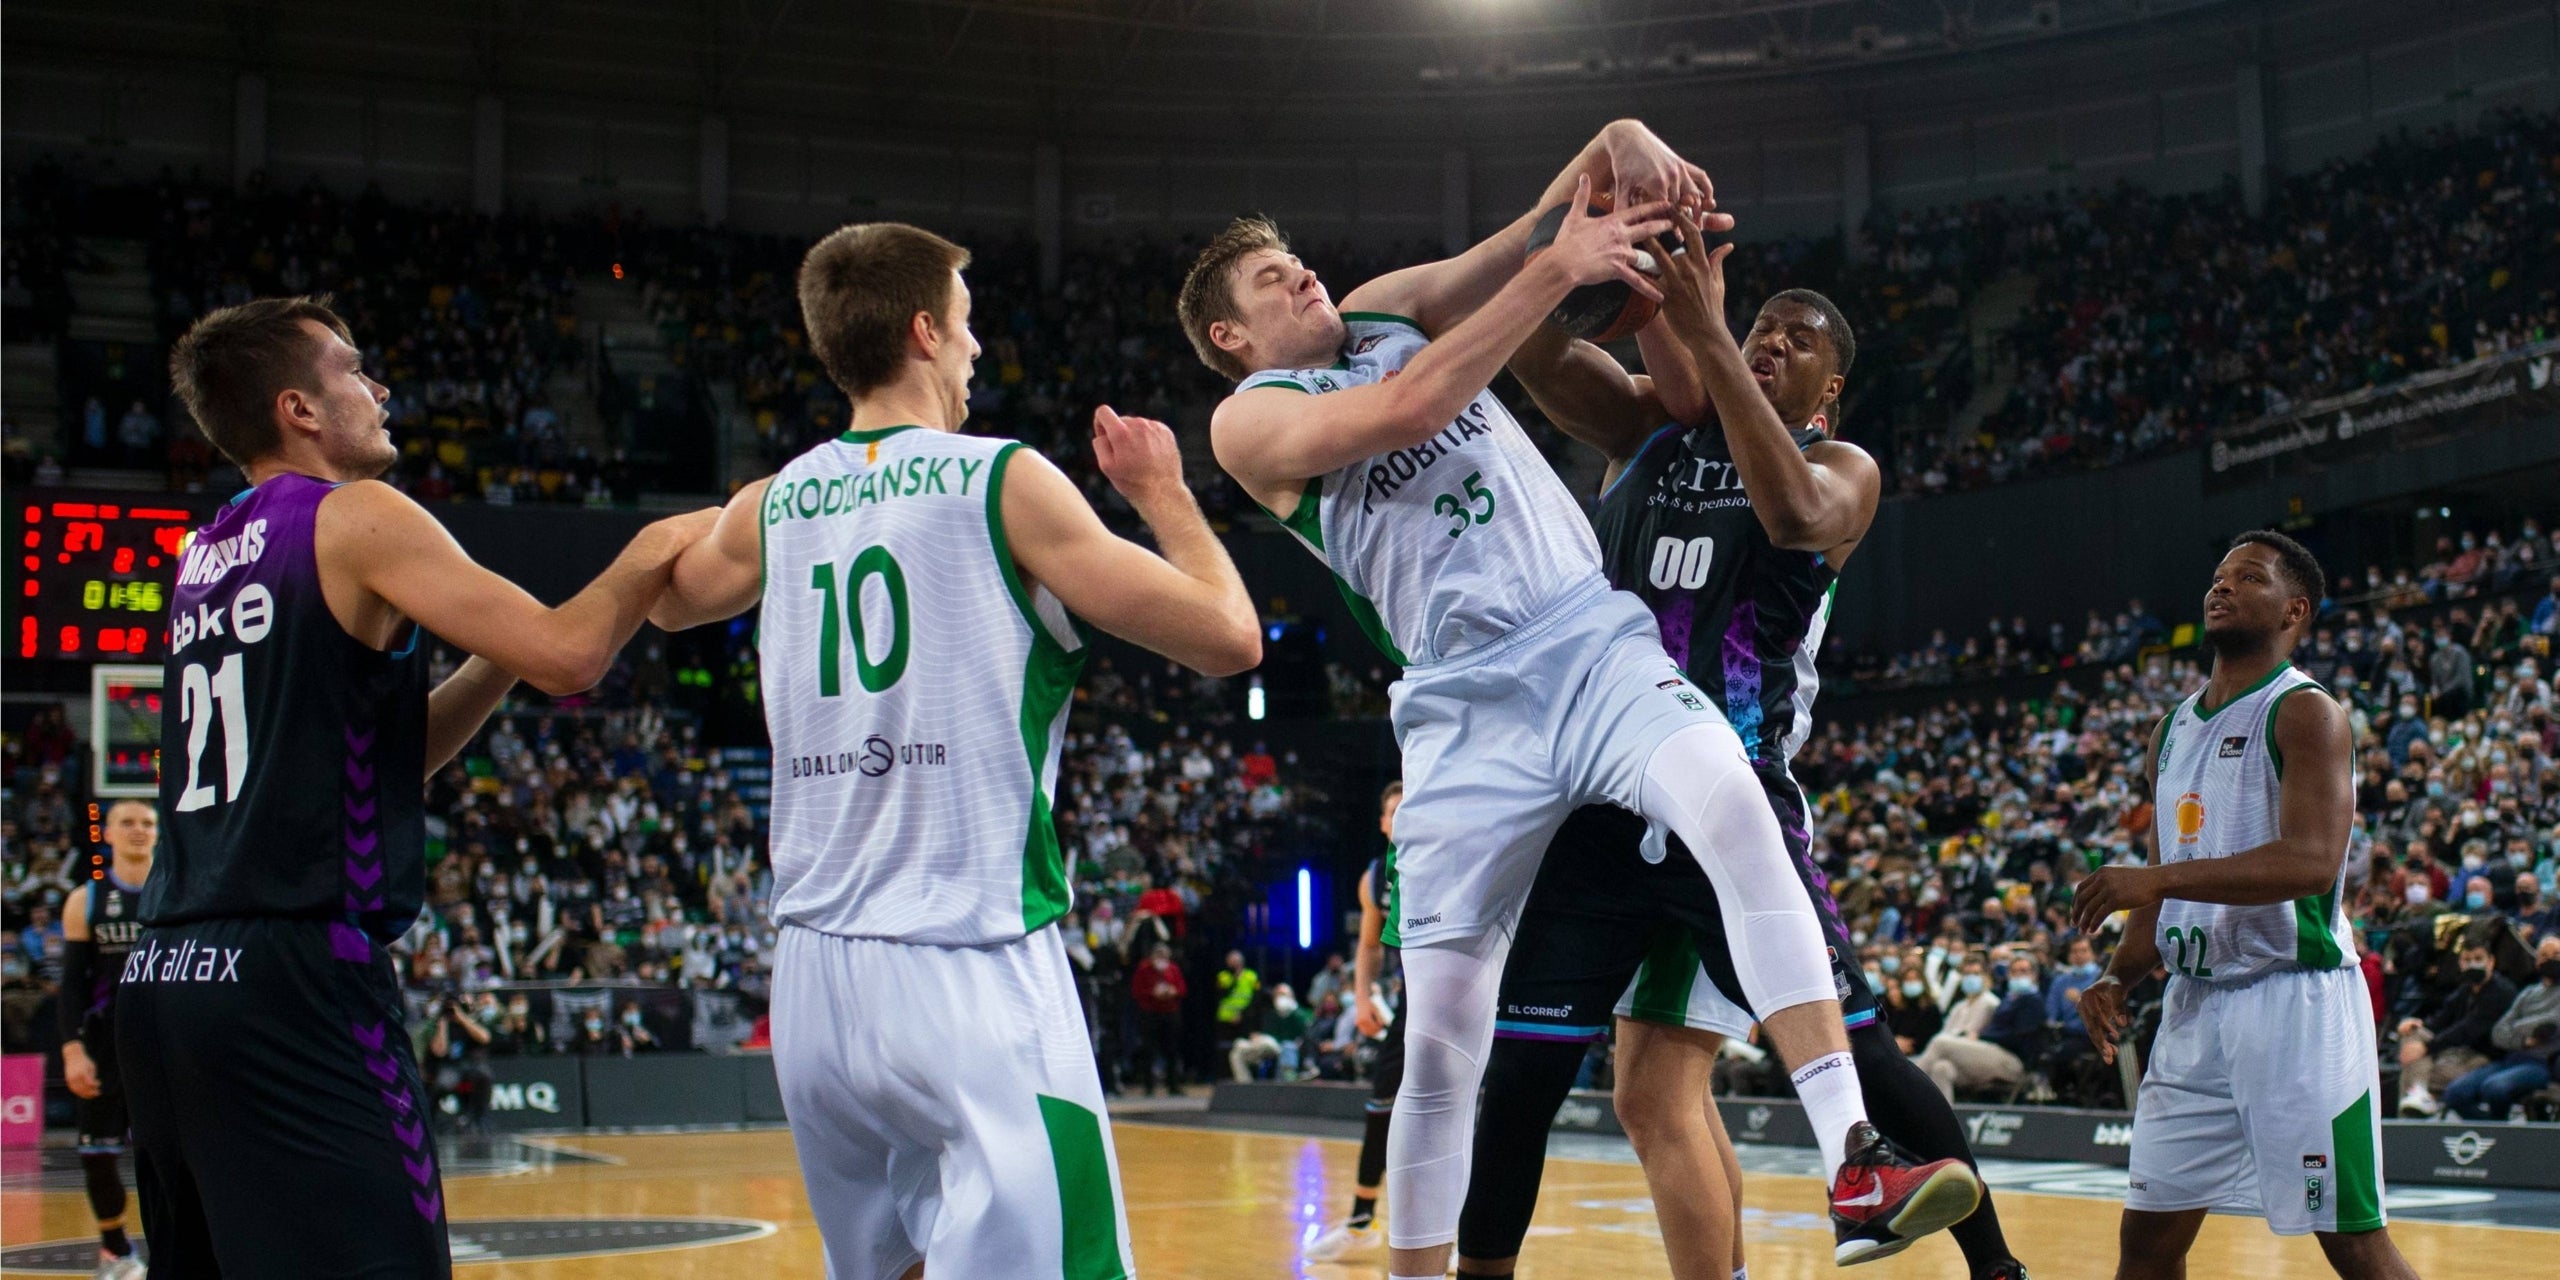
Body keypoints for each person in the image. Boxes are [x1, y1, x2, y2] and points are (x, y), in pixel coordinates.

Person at [1180, 120, 1972, 1280]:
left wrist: (1617, 148)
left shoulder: (1383, 302)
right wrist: (1564, 268)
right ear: (1230, 333)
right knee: (1444, 1037)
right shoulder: (1249, 419)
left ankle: (1855, 1155)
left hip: (1586, 637)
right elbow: (1411, 405)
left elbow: (1523, 236)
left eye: (1295, 257)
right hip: (1461, 706)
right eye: (1272, 279)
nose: (1303, 273)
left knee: (1738, 810)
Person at [646, 220, 1261, 1280]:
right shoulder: (1001, 477)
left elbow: (668, 601)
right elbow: (1228, 635)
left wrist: (722, 515)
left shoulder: (777, 499)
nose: (977, 351)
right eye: (968, 328)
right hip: (968, 958)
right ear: (926, 331)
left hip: (814, 982)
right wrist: (1162, 490)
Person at [1454, 216, 2020, 1278]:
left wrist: (1706, 332)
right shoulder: (1645, 427)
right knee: (1589, 1082)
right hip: (1604, 795)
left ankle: (1995, 1263)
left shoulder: (1837, 462)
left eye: (1798, 339)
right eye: (1764, 323)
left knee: (1851, 1046)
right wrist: (1577, 256)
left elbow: (1798, 517)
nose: (1773, 338)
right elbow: (1532, 355)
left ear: (1830, 391)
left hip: (1734, 798)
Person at [120, 294, 711, 1278]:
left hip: (168, 974)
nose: (379, 388)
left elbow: (381, 758)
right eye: (353, 369)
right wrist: (648, 553)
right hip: (292, 975)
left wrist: (502, 652)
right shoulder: (356, 515)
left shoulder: (207, 550)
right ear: (300, 409)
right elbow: (572, 657)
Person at [2075, 531, 2418, 1279]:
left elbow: (2311, 861)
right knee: (2148, 1242)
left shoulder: (2306, 712)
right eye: (2219, 577)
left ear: (2295, 609)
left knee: (2353, 1242)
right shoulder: (2171, 729)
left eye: (2249, 578)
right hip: (2195, 1010)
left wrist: (2155, 883)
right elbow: (2165, 875)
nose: (2222, 588)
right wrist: (2119, 977)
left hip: (2296, 1005)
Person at [1306, 782, 1407, 1262]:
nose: (1402, 816)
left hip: (1465, 994)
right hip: (1413, 1001)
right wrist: (1362, 998)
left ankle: (1450, 1232)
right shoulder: (1374, 876)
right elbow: (1368, 946)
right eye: (1394, 810)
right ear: (1383, 823)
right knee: (1381, 1109)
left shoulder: (1442, 856)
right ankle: (1362, 1221)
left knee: (1454, 1114)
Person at [57, 799, 156, 1280]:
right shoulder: (86, 900)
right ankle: (115, 1252)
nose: (139, 830)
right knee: (97, 1154)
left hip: (166, 1045)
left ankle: (177, 1248)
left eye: (148, 823)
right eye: (128, 822)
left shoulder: (179, 892)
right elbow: (72, 985)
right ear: (108, 834)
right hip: (104, 1045)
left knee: (172, 1156)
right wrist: (72, 1049)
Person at [2392, 941, 2518, 1116]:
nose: (2473, 964)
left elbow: (2467, 1030)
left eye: (2478, 959)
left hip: (2486, 1057)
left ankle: (2413, 1106)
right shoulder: (2465, 989)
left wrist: (2427, 1047)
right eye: (2467, 959)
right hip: (2453, 1053)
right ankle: (2419, 1096)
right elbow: (2440, 1019)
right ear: (2460, 963)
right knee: (2412, 1033)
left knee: (2412, 1070)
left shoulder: (2502, 992)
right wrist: (2417, 1024)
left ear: (2491, 961)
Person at [2441, 935, 2560, 1120]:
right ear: (2537, 961)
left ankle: (2500, 1134)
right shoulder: (2528, 993)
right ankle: (2491, 1132)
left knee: (2494, 1088)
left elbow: (2553, 1022)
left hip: (2541, 1063)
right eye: (2544, 955)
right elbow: (2498, 1032)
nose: (2550, 959)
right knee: (2456, 1093)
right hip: (2510, 1060)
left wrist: (2517, 1027)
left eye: (2556, 954)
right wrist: (2524, 1039)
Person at [1131, 943, 1189, 1095]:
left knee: (1171, 1050)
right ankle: (1149, 1087)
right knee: (1148, 1050)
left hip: (1170, 1013)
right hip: (1150, 1014)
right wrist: (1152, 993)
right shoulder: (1144, 969)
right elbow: (1137, 990)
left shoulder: (1173, 969)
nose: (1161, 959)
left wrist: (1173, 991)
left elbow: (1182, 989)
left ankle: (1173, 1085)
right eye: (1158, 955)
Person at [1228, 982, 1310, 1080]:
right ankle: (1245, 1087)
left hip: (1286, 1047)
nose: (1281, 998)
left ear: (1292, 996)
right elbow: (1267, 1033)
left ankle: (1288, 1082)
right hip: (1267, 1048)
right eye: (1278, 995)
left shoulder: (1300, 1014)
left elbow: (1304, 1035)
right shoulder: (1271, 1015)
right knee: (1236, 1053)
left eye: (1283, 995)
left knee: (1281, 1045)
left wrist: (1293, 1011)